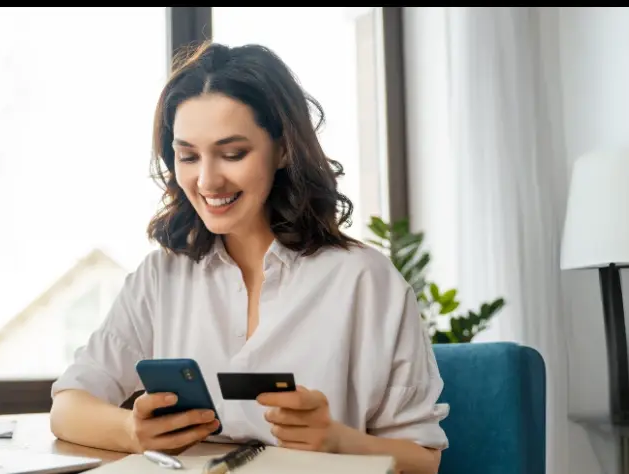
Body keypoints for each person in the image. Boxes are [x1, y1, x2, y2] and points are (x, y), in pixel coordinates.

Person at [48, 41, 448, 474]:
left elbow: (424, 460)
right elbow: (68, 407)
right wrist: (132, 431)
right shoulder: (162, 276)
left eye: (232, 154)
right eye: (188, 156)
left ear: (283, 149)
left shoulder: (364, 280)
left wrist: (336, 440)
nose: (207, 180)